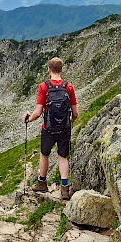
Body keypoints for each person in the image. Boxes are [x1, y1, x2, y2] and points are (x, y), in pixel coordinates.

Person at [24, 57, 78, 199]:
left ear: (49, 70)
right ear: (61, 69)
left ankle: (42, 183)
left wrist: (28, 119)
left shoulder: (44, 87)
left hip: (48, 128)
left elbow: (38, 111)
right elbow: (75, 113)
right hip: (64, 129)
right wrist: (70, 120)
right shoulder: (69, 87)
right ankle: (64, 189)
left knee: (44, 154)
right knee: (62, 156)